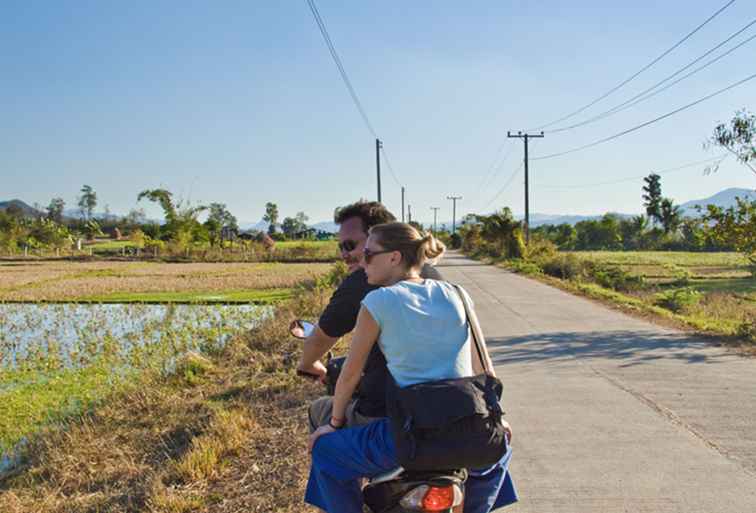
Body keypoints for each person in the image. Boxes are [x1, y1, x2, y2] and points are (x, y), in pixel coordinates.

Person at [304, 222, 516, 513]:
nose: (362, 262)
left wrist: (334, 424)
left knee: (326, 452)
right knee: (498, 454)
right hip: (467, 427)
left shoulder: (377, 300)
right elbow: (486, 369)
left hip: (409, 433)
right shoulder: (457, 293)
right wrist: (498, 419)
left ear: (394, 257)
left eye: (369, 254)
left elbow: (350, 375)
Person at [297, 201, 441, 430]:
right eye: (340, 247)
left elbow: (327, 349)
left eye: (351, 245)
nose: (344, 255)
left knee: (319, 412)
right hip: (441, 409)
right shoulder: (435, 278)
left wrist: (309, 364)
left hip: (385, 415)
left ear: (379, 238)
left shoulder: (366, 283)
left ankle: (330, 461)